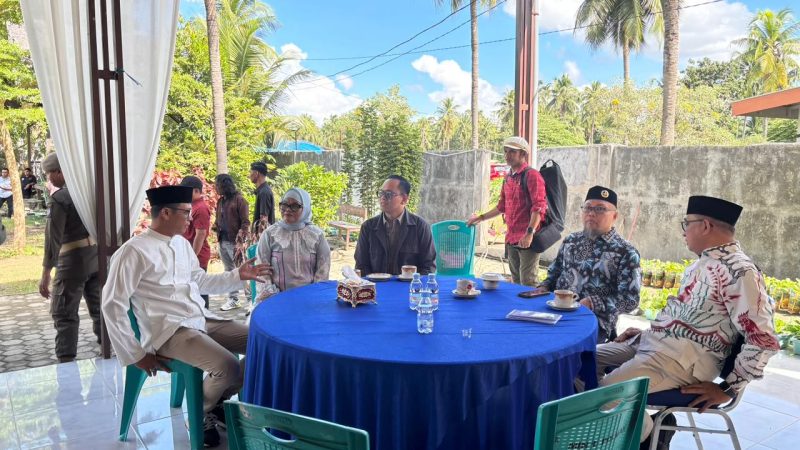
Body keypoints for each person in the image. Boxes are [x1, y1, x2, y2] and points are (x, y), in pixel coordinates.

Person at [593, 195, 779, 449]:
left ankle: (649, 438)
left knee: (600, 398)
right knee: (575, 363)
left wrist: (728, 389)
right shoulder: (702, 263)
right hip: (654, 347)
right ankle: (650, 427)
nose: (683, 232)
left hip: (681, 361)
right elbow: (689, 318)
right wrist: (649, 331)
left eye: (686, 224)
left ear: (704, 226)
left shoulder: (740, 271)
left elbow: (763, 339)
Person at [101, 185, 271, 448]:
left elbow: (200, 282)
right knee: (227, 366)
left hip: (198, 318)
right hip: (167, 330)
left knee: (262, 343)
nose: (190, 218)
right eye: (185, 212)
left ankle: (215, 404)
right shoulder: (133, 251)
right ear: (166, 213)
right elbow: (112, 305)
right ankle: (199, 413)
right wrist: (135, 354)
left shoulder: (181, 245)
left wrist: (237, 276)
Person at [538, 186, 641, 343]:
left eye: (600, 209)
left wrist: (594, 303)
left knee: (560, 346)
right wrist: (543, 287)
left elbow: (630, 299)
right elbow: (554, 272)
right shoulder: (571, 241)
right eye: (587, 208)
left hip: (595, 321)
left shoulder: (625, 251)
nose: (591, 213)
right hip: (557, 311)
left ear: (615, 216)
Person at [37, 153, 102, 363]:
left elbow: (53, 239)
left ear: (60, 172)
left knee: (64, 313)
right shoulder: (90, 192)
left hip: (72, 262)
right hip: (96, 258)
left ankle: (66, 362)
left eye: (50, 174)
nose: (49, 179)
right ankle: (109, 352)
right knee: (100, 309)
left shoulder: (61, 198)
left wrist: (45, 274)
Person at [466, 136, 547, 286]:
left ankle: (531, 309)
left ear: (523, 154)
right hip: (511, 238)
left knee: (528, 281)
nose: (507, 155)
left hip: (527, 238)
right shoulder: (508, 177)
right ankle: (518, 309)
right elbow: (502, 207)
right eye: (506, 151)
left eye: (512, 152)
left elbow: (539, 207)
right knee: (516, 280)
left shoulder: (532, 175)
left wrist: (529, 233)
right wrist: (481, 218)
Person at [255, 187, 331, 301]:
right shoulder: (270, 234)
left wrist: (313, 297)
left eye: (294, 206)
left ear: (305, 208)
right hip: (277, 299)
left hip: (309, 299)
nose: (287, 210)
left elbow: (323, 272)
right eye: (284, 205)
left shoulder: (316, 236)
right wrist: (272, 298)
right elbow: (262, 270)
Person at [354, 175, 436, 275]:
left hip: (408, 287)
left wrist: (413, 285)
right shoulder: (368, 227)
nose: (383, 198)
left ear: (404, 199)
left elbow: (428, 267)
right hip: (377, 287)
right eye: (381, 193)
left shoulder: (421, 227)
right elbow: (361, 266)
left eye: (388, 194)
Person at [214, 174, 250, 311]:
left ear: (224, 185)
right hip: (222, 240)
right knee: (229, 272)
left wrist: (240, 242)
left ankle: (251, 301)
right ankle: (233, 299)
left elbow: (246, 222)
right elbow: (219, 219)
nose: (215, 187)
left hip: (235, 243)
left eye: (217, 184)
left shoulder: (239, 200)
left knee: (243, 272)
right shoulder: (220, 201)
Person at [180, 175, 212, 308]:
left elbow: (201, 234)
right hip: (190, 254)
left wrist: (192, 256)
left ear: (196, 191)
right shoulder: (191, 206)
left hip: (198, 255)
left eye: (186, 190)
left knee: (201, 288)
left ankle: (206, 318)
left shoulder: (201, 208)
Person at [249, 161, 275, 236]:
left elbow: (264, 220)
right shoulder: (262, 190)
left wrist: (259, 240)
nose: (249, 175)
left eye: (251, 172)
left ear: (257, 173)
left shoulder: (264, 192)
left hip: (263, 238)